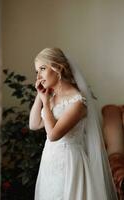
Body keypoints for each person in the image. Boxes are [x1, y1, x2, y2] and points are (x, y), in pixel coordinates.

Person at [29, 47, 118, 200]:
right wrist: (40, 96)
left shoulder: (78, 101)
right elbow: (34, 124)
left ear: (58, 68)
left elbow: (53, 135)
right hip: (49, 162)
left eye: (42, 69)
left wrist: (45, 102)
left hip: (70, 163)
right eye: (37, 71)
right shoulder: (51, 97)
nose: (39, 77)